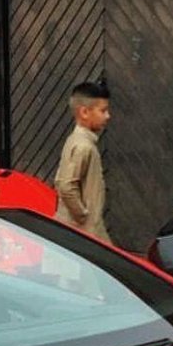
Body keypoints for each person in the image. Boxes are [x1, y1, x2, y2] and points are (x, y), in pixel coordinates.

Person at [54, 80, 111, 243]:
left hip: (81, 230)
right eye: (103, 111)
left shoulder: (79, 141)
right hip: (82, 233)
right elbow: (66, 186)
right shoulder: (83, 146)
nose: (108, 116)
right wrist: (83, 216)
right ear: (84, 112)